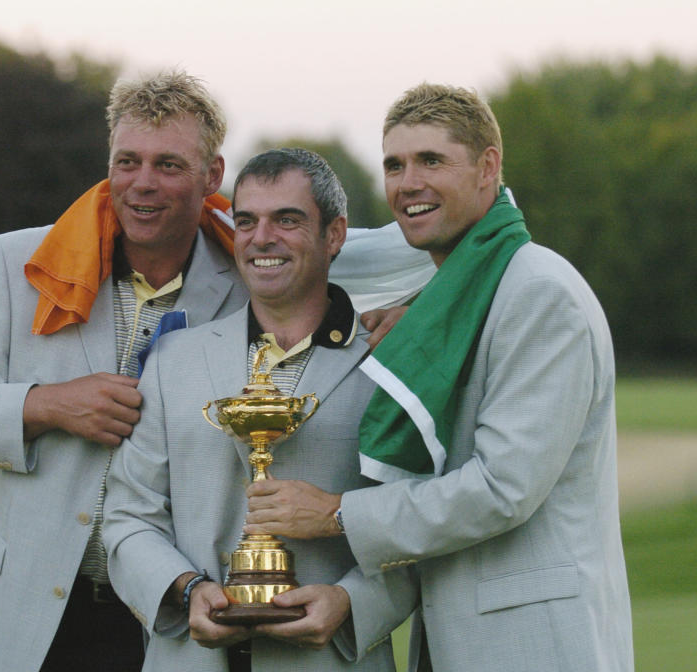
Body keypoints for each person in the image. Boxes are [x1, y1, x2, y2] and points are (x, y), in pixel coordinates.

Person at [0, 71, 428, 672]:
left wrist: (416, 314)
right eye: (127, 161)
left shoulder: (249, 270)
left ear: (213, 177)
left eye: (169, 165)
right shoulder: (18, 262)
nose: (142, 184)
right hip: (30, 603)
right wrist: (45, 405)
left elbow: (394, 245)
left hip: (173, 621)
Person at [244, 83, 635, 671]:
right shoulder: (457, 301)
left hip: (535, 646)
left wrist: (335, 513)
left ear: (488, 168)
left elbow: (502, 489)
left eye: (432, 160)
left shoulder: (540, 295)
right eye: (395, 165)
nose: (408, 184)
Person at [103, 148, 418, 672]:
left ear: (334, 234)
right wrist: (184, 592)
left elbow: (421, 523)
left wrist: (350, 603)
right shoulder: (173, 359)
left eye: (287, 220)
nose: (261, 238)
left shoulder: (389, 363)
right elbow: (127, 516)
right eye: (246, 221)